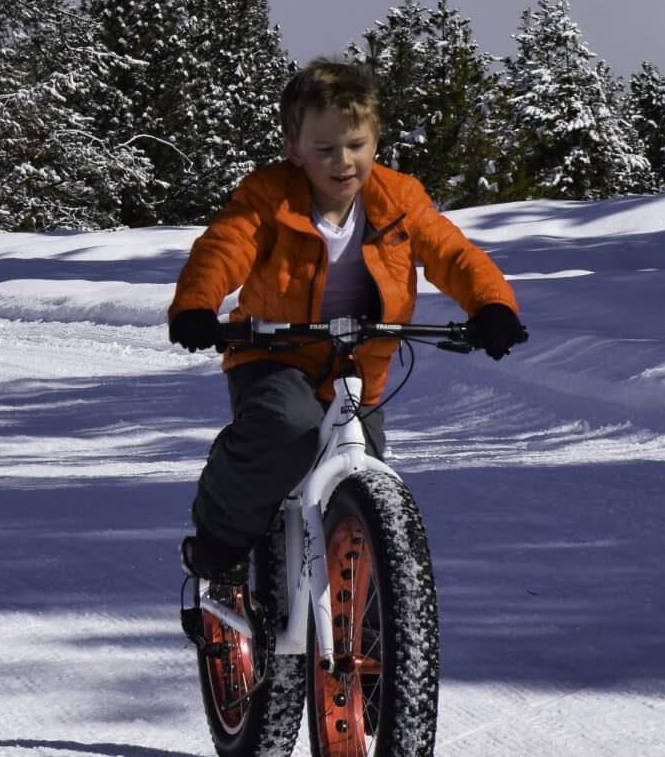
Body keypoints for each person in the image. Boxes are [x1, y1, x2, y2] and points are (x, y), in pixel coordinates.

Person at [167, 58, 525, 603]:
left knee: (365, 478)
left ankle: (364, 614)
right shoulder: (269, 196)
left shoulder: (398, 198)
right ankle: (220, 534)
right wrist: (197, 305)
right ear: (295, 150)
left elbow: (452, 253)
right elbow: (225, 247)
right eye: (325, 149)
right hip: (275, 352)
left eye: (356, 144)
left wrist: (492, 305)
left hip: (360, 365)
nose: (343, 161)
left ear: (375, 141)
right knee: (288, 429)